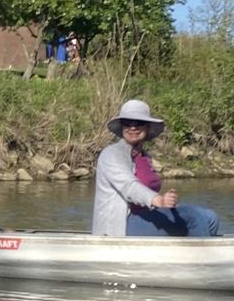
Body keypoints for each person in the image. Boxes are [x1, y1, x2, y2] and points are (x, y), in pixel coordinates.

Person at [92, 99, 221, 238]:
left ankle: (193, 247)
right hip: (120, 224)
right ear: (122, 126)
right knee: (192, 217)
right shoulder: (111, 154)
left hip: (147, 216)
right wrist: (158, 200)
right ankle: (200, 250)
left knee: (210, 218)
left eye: (139, 122)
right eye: (127, 122)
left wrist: (167, 200)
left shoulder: (145, 156)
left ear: (147, 127)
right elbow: (129, 186)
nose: (133, 127)